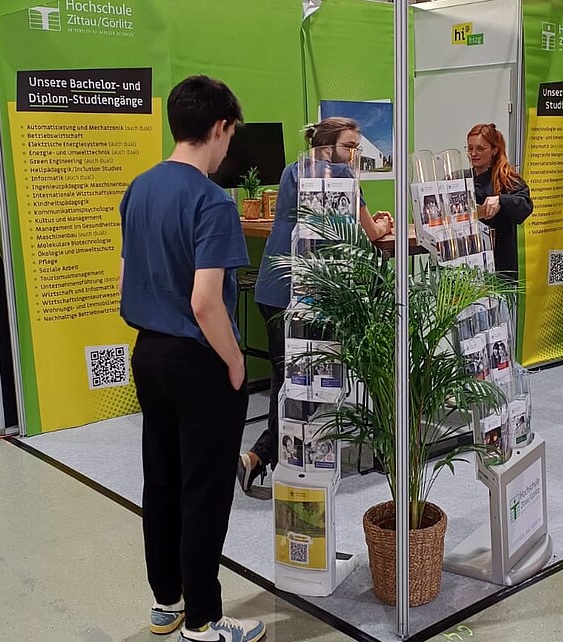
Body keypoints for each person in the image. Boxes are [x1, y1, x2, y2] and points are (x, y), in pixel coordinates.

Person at [118, 75, 265, 642]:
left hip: (148, 353)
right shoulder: (211, 201)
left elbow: (127, 278)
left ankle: (167, 601)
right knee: (205, 491)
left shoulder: (140, 187)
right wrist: (235, 364)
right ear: (221, 127)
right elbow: (206, 303)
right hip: (198, 361)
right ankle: (204, 619)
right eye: (232, 133)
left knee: (163, 478)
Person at [237, 117, 392, 495]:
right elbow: (370, 232)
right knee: (304, 379)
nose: (354, 154)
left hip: (271, 289)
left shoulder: (293, 171)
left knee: (284, 379)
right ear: (327, 145)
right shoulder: (338, 174)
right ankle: (268, 456)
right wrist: (383, 225)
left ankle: (260, 456)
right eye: (349, 145)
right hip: (305, 296)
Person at [466, 123, 534, 281]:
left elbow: (525, 204)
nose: (473, 154)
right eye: (470, 149)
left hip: (500, 269)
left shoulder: (507, 179)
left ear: (494, 150)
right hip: (468, 269)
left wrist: (501, 200)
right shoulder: (461, 178)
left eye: (480, 148)